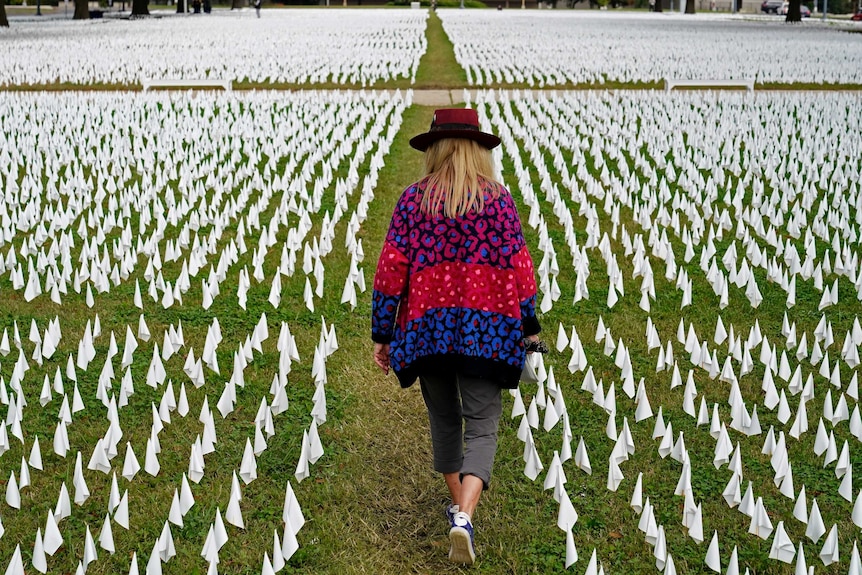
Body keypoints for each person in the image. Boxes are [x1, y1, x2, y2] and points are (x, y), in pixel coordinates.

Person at [371, 108, 541, 565]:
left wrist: (382, 333)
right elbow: (521, 270)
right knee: (483, 425)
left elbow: (390, 273)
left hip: (428, 333)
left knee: (444, 419)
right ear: (477, 151)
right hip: (486, 332)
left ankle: (458, 510)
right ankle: (464, 514)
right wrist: (529, 325)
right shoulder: (499, 201)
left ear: (435, 149)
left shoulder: (412, 201)